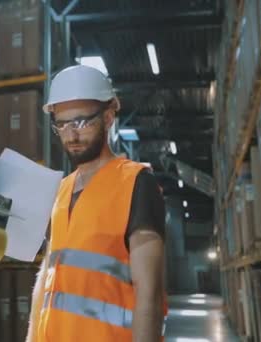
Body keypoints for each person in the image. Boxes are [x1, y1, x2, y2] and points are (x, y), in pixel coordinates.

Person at [26, 65, 168, 342]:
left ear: (108, 117)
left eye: (81, 122)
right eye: (62, 125)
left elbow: (148, 293)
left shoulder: (137, 183)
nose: (71, 136)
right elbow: (48, 273)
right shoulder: (62, 190)